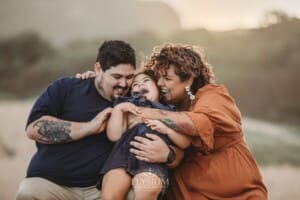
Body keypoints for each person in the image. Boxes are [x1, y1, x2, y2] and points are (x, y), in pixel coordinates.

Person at [129, 43, 268, 199]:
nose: (160, 83)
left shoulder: (214, 96)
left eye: (167, 78)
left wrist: (152, 114)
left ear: (188, 79)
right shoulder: (166, 105)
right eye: (158, 78)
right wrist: (169, 155)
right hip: (188, 193)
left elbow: (198, 124)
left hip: (237, 193)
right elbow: (178, 152)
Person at [15, 40, 137, 200]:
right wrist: (88, 128)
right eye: (116, 77)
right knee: (28, 193)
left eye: (129, 77)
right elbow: (33, 128)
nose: (123, 84)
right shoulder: (66, 88)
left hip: (102, 189)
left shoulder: (134, 97)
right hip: (53, 184)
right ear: (98, 69)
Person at [100, 70, 190, 200]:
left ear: (159, 89)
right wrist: (119, 110)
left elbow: (185, 142)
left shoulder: (169, 112)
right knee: (110, 195)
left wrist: (167, 129)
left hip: (151, 163)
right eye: (135, 84)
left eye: (146, 81)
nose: (140, 84)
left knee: (147, 190)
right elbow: (114, 136)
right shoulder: (128, 108)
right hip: (121, 159)